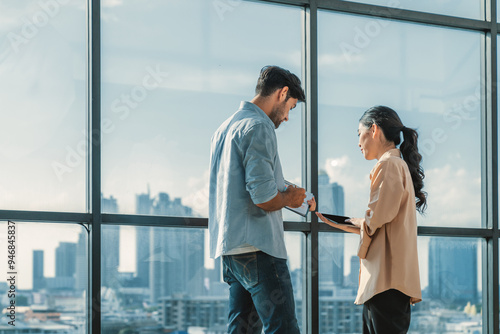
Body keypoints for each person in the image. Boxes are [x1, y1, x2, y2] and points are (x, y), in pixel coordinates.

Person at [209, 65, 316, 334]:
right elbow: (264, 197)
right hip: (259, 248)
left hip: (230, 248)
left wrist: (293, 193)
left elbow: (245, 183)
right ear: (282, 93)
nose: (288, 118)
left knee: (242, 330)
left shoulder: (225, 127)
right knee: (283, 329)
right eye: (290, 107)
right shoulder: (260, 126)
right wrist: (290, 198)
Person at [317, 105, 426, 334]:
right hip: (390, 281)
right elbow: (380, 220)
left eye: (359, 134)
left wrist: (349, 222)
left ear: (374, 130)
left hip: (386, 282)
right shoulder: (399, 165)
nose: (358, 142)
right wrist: (342, 221)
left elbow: (376, 218)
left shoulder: (388, 165)